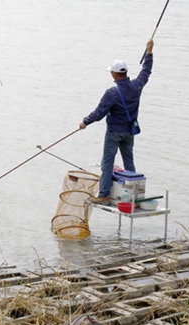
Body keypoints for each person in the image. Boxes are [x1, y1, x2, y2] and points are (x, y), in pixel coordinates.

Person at [79, 40, 154, 205]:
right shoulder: (137, 86)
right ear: (125, 72)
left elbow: (99, 114)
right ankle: (133, 194)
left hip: (114, 133)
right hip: (129, 132)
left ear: (114, 74)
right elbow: (146, 71)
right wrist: (149, 52)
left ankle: (104, 195)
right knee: (129, 162)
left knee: (107, 163)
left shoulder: (111, 93)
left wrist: (85, 122)